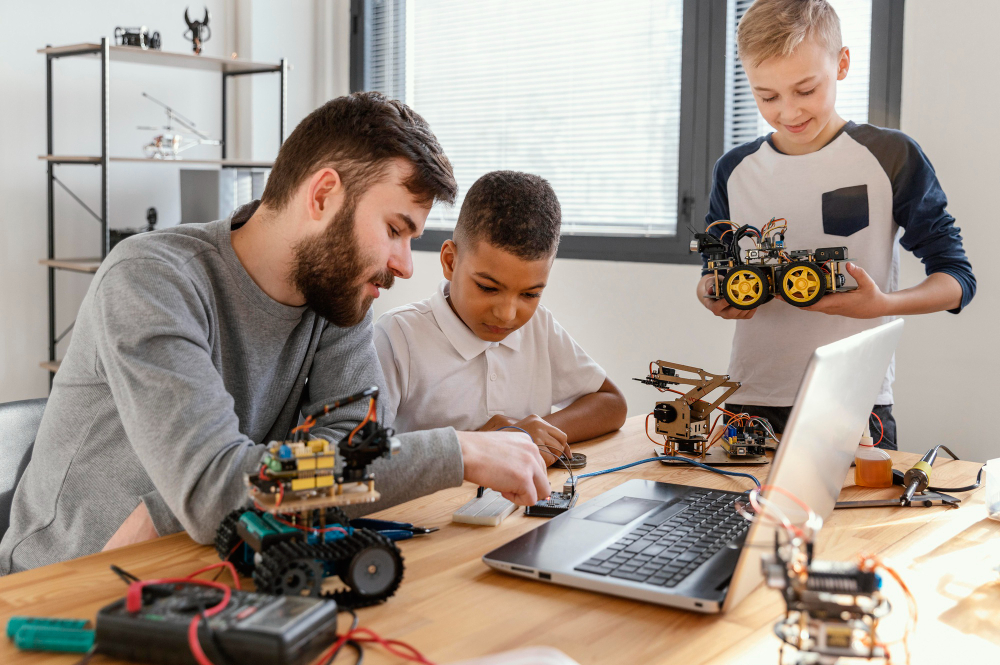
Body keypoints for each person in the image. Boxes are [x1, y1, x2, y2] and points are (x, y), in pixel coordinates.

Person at [0, 93, 550, 575]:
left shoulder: (337, 295)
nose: (405, 265)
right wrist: (457, 450)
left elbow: (354, 454)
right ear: (323, 195)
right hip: (64, 591)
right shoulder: (151, 278)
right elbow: (223, 489)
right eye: (393, 230)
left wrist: (180, 504)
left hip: (213, 564)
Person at [695, 0, 976, 449]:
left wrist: (881, 304)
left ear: (842, 64)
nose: (789, 112)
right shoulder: (735, 169)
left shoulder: (891, 156)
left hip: (857, 400)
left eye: (806, 90)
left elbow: (958, 280)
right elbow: (713, 267)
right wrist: (712, 292)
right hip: (752, 398)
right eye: (767, 96)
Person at [374, 171, 628, 465]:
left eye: (530, 294)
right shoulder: (397, 337)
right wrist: (481, 445)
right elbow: (359, 455)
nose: (507, 314)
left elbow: (612, 404)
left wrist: (527, 435)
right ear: (450, 262)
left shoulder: (538, 327)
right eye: (487, 288)